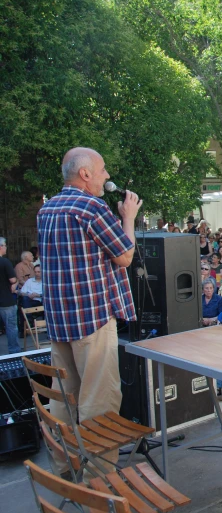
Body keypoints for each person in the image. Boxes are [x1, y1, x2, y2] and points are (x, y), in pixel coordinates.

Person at [37, 147, 141, 476]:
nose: (107, 176)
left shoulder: (47, 209)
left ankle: (64, 470)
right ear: (85, 175)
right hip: (92, 321)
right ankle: (98, 481)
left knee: (64, 401)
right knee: (100, 404)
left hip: (59, 322)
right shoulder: (90, 207)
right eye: (102, 170)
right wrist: (128, 217)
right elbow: (124, 255)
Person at [0, 238, 20, 354]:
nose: (6, 247)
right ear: (0, 247)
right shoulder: (5, 262)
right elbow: (12, 280)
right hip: (6, 300)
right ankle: (14, 352)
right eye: (5, 245)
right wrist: (17, 282)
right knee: (11, 328)